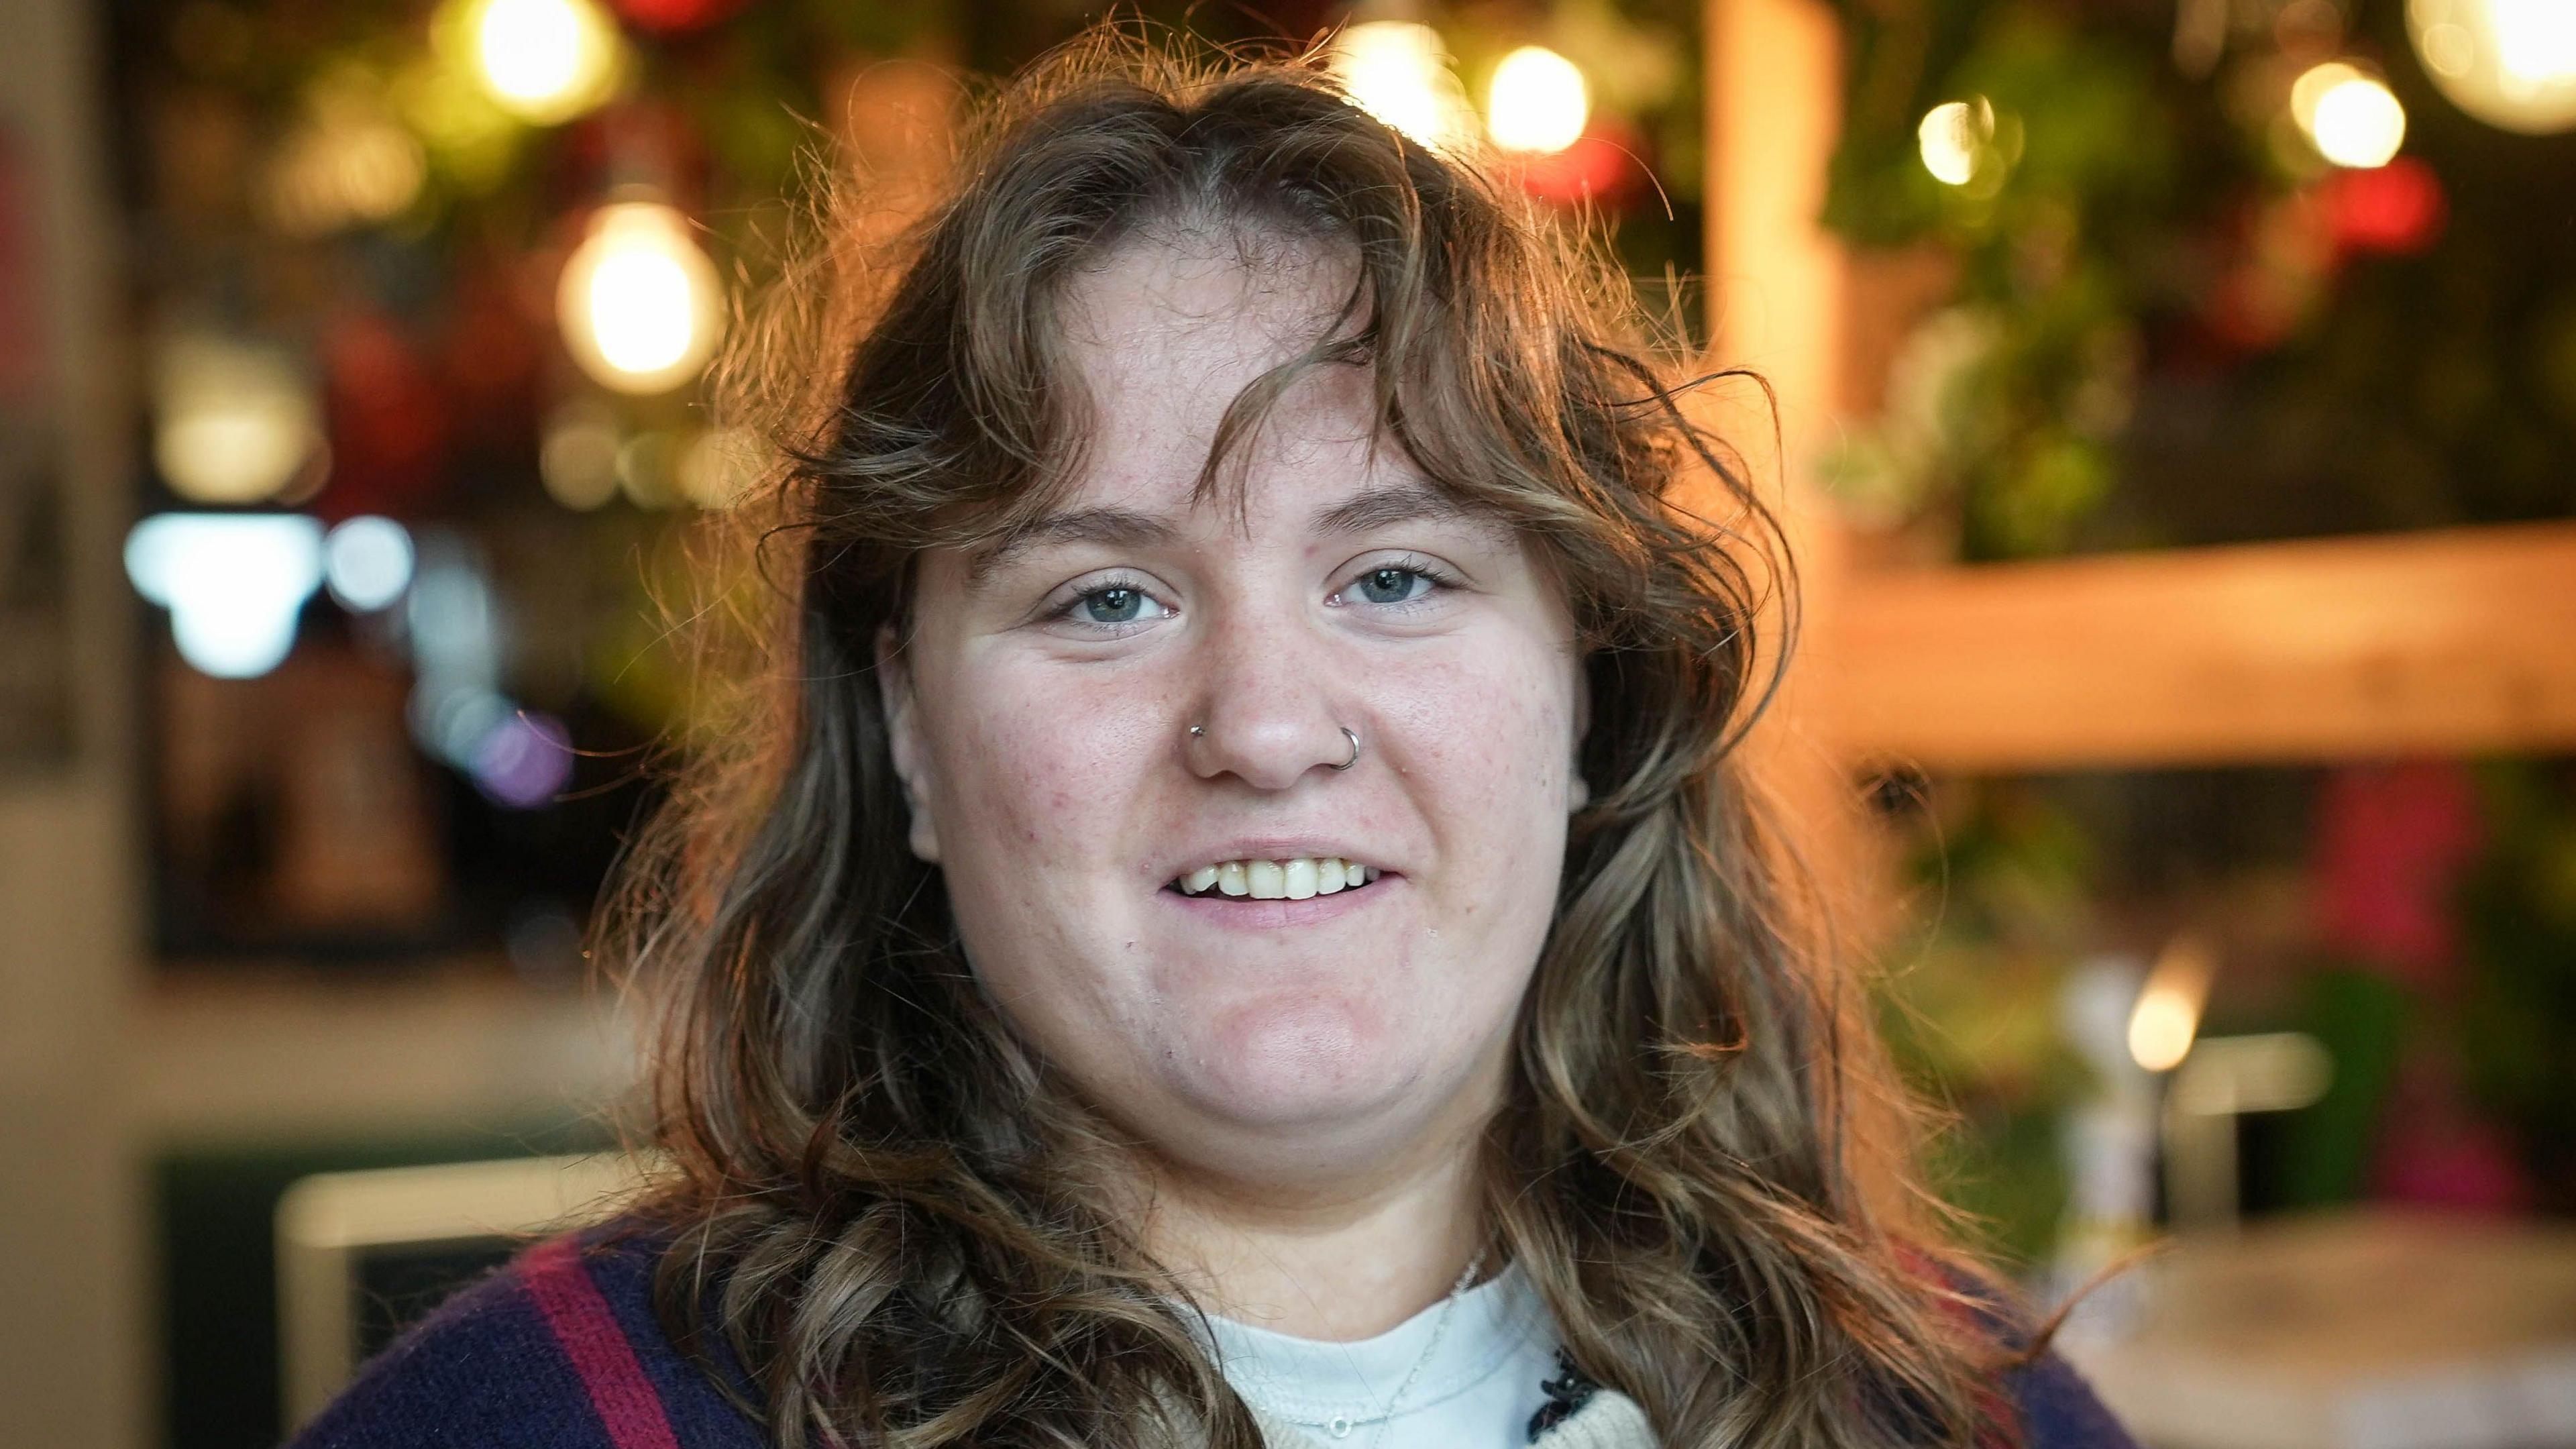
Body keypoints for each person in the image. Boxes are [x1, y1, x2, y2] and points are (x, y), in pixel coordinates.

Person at [291, 32, 2136, 1449]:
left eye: (1398, 576)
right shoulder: (547, 1421)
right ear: (910, 737)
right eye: (1105, 598)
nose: (1264, 727)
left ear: (1593, 693)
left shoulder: (1964, 1415)